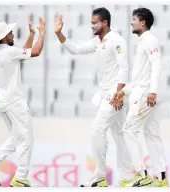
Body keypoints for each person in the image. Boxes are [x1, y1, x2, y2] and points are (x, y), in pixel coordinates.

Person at [55, 7, 133, 187]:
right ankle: (128, 176)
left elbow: (124, 68)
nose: (91, 26)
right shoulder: (98, 42)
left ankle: (99, 176)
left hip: (114, 94)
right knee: (120, 135)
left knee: (98, 130)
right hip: (107, 93)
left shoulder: (117, 40)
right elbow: (75, 49)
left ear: (104, 23)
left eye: (94, 22)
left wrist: (119, 93)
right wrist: (59, 34)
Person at [0, 16, 46, 187]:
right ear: (4, 37)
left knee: (16, 137)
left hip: (4, 102)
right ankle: (21, 178)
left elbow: (22, 53)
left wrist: (31, 35)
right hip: (15, 101)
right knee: (27, 139)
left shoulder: (0, 53)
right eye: (10, 33)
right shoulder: (9, 52)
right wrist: (42, 33)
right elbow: (36, 51)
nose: (13, 35)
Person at [110, 8, 169, 187]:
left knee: (128, 130)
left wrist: (153, 91)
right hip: (143, 90)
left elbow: (157, 64)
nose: (131, 22)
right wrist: (122, 92)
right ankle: (160, 177)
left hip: (146, 94)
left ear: (143, 22)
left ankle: (142, 175)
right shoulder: (143, 42)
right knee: (151, 133)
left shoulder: (150, 40)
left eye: (134, 19)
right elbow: (138, 77)